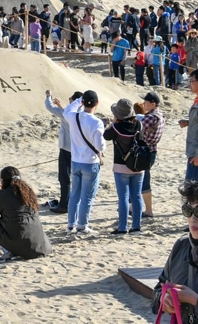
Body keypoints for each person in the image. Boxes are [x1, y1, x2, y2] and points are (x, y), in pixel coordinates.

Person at [152, 181, 198, 323]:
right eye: (188, 211)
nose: (192, 218)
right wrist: (163, 299)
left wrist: (196, 301)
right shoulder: (182, 245)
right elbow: (159, 288)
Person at [0, 166, 51, 261]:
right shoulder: (29, 192)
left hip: (22, 244)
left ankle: (9, 252)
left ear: (2, 180)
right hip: (42, 246)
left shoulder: (3, 194)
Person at [64, 90, 105, 234]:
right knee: (87, 196)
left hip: (76, 160)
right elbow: (100, 146)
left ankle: (71, 224)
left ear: (82, 103)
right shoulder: (96, 121)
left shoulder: (73, 117)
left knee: (74, 194)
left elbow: (68, 109)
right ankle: (82, 225)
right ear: (97, 103)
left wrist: (79, 99)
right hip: (90, 162)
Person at [103, 98, 145, 234]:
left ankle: (122, 227)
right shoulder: (139, 124)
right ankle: (136, 226)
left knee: (123, 197)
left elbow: (106, 135)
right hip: (138, 165)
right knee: (137, 196)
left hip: (121, 166)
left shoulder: (116, 127)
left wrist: (113, 123)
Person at [44, 91, 82, 214]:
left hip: (66, 149)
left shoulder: (66, 113)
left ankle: (64, 205)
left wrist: (48, 97)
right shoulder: (82, 113)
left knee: (64, 178)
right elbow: (68, 112)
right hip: (79, 150)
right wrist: (61, 106)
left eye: (70, 98)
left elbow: (50, 107)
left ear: (74, 101)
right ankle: (74, 202)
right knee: (76, 177)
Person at [141, 93, 166, 218]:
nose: (143, 104)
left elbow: (136, 128)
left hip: (145, 151)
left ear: (153, 104)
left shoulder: (151, 117)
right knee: (142, 178)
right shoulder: (159, 114)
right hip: (152, 150)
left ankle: (148, 210)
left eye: (145, 102)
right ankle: (133, 206)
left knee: (144, 180)